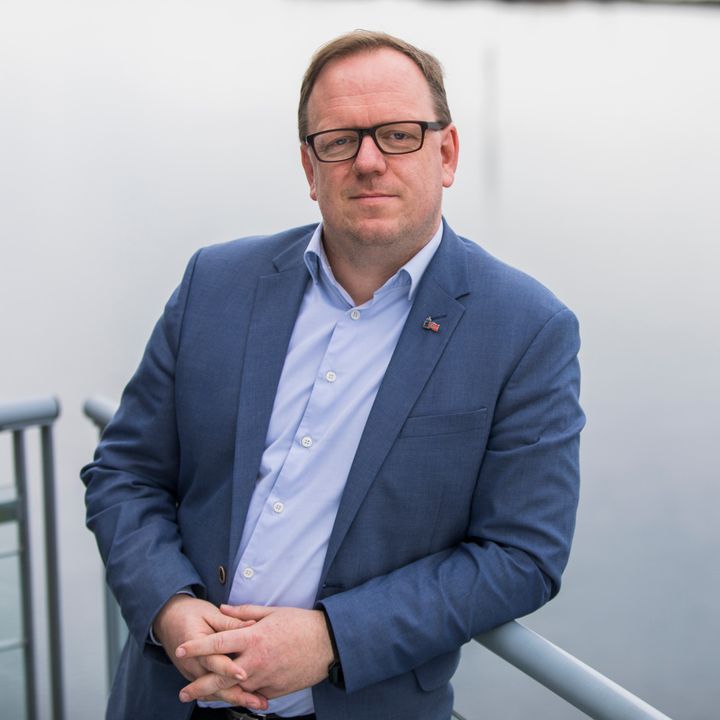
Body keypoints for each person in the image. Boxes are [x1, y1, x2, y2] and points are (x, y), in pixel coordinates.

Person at [82, 30, 585, 720]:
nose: (369, 161)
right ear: (309, 166)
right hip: (169, 697)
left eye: (399, 135)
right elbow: (125, 473)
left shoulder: (526, 329)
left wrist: (333, 639)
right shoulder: (215, 283)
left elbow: (522, 555)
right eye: (340, 140)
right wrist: (170, 607)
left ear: (446, 154)